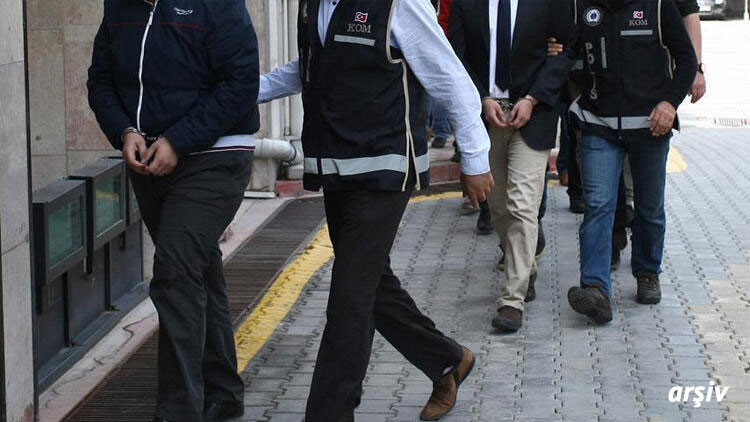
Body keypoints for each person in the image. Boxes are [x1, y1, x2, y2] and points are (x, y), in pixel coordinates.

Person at [258, 0, 494, 420]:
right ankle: (447, 360)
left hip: (386, 170)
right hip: (336, 169)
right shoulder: (313, 6)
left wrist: (475, 159)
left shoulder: (399, 4)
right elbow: (311, 64)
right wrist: (247, 91)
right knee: (370, 284)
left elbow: (449, 78)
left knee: (348, 298)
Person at [87, 1, 260, 420]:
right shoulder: (119, 6)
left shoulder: (217, 5)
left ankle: (179, 411)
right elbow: (101, 80)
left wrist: (179, 140)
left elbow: (240, 83)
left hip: (215, 157)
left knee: (175, 273)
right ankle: (223, 392)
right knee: (196, 269)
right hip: (150, 162)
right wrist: (124, 131)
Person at [568, 0, 697, 324]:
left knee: (649, 207)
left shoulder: (658, 6)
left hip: (651, 128)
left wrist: (670, 103)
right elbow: (567, 53)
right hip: (598, 124)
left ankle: (647, 272)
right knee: (598, 205)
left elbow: (686, 59)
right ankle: (596, 290)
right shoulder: (580, 6)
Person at [449, 0, 575, 332]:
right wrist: (481, 97)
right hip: (484, 118)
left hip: (533, 114)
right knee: (499, 207)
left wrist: (533, 98)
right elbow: (455, 56)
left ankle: (511, 300)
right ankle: (525, 266)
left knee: (522, 205)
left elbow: (566, 50)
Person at [610, 0, 706, 271]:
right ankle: (614, 237)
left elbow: (689, 14)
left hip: (651, 100)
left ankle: (646, 268)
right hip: (604, 100)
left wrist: (696, 69)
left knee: (646, 195)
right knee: (604, 188)